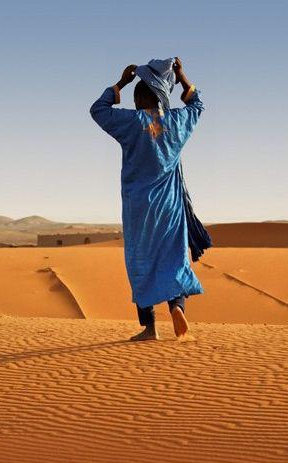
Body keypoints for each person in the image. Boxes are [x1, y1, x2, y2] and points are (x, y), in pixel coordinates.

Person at [90, 57, 205, 341]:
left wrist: (120, 83)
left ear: (138, 99)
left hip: (138, 207)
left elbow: (98, 110)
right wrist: (183, 75)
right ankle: (177, 307)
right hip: (170, 205)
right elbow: (198, 106)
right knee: (172, 257)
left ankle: (150, 327)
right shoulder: (177, 122)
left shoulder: (130, 122)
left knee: (141, 261)